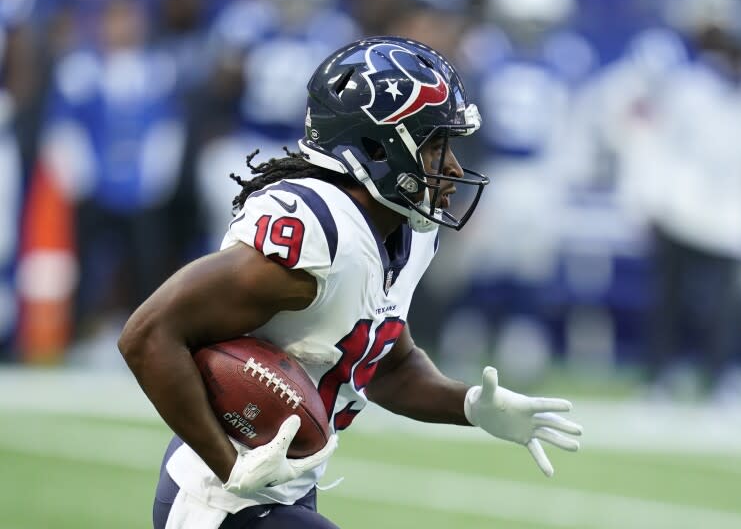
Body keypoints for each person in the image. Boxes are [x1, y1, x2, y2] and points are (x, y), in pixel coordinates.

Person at [118, 36, 583, 529]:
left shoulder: (407, 233)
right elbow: (148, 334)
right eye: (432, 147)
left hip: (284, 493)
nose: (451, 166)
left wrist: (468, 405)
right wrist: (231, 465)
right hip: (216, 500)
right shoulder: (319, 233)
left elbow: (386, 367)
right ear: (376, 147)